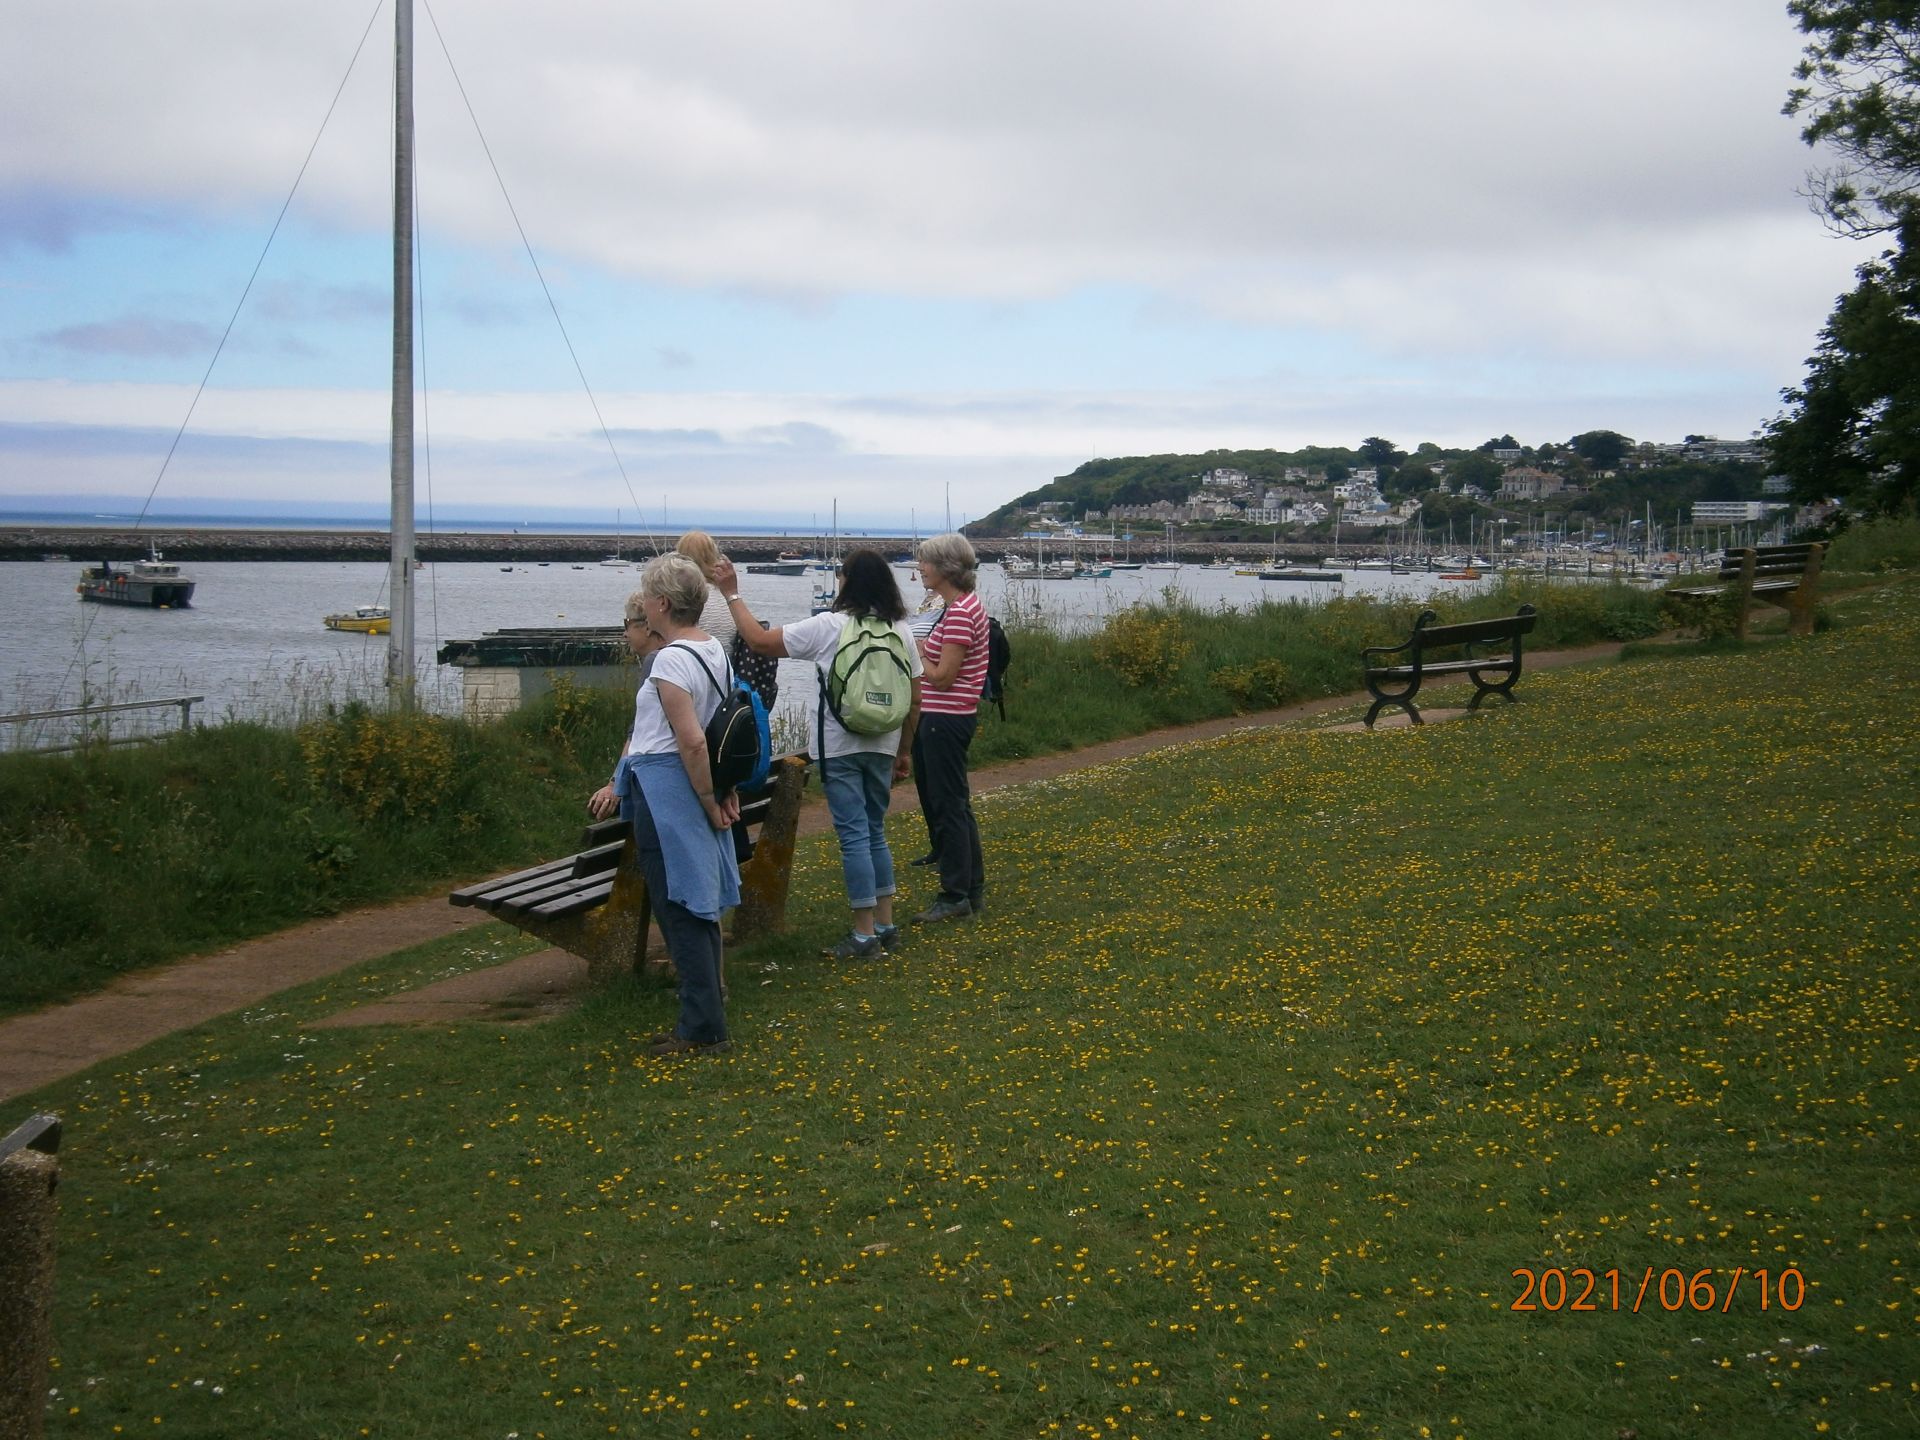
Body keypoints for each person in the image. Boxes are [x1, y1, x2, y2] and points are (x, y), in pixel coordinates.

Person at [711, 548, 923, 959]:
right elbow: (915, 698)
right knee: (875, 830)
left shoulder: (829, 627)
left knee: (854, 836)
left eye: (841, 575)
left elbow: (758, 641)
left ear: (848, 582)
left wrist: (731, 594)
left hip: (840, 745)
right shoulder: (901, 628)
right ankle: (885, 923)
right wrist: (904, 750)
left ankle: (863, 936)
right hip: (883, 743)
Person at [588, 554, 740, 1057]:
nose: (644, 606)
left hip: (670, 787)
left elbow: (693, 740)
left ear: (663, 604)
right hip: (692, 783)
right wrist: (722, 786)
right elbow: (720, 726)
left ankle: (700, 1028)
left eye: (647, 596)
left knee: (681, 904)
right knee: (698, 900)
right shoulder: (713, 647)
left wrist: (701, 796)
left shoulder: (672, 658)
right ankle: (705, 1014)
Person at [908, 532, 988, 923]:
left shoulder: (958, 613)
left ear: (946, 568)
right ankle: (971, 886)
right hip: (948, 717)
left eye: (925, 562)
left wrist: (917, 652)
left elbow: (942, 677)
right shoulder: (965, 606)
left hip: (944, 718)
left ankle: (956, 892)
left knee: (948, 806)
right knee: (956, 803)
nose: (920, 568)